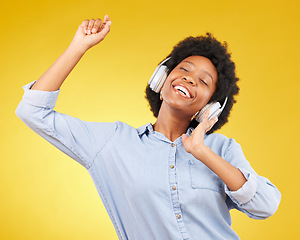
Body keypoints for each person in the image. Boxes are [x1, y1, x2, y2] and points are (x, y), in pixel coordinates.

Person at [16, 15, 281, 240]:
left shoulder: (222, 149)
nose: (189, 78)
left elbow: (265, 206)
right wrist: (79, 46)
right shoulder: (113, 143)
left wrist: (202, 152)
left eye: (203, 81)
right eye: (184, 69)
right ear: (162, 78)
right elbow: (32, 111)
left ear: (210, 106)